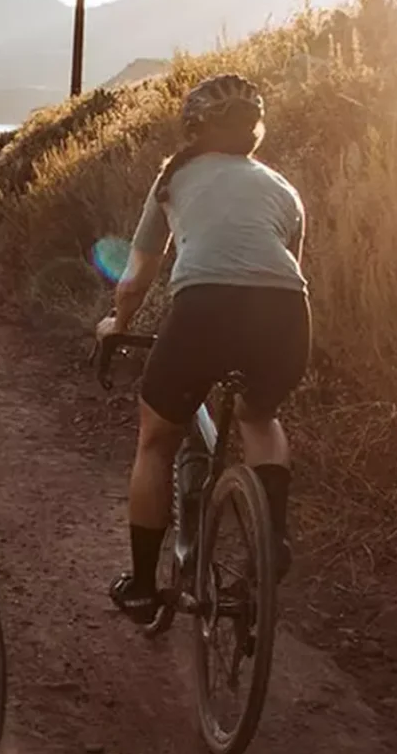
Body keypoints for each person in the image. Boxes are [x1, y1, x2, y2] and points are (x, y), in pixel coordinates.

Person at [94, 73, 308, 621]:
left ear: (192, 128)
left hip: (204, 311)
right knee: (261, 417)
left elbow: (138, 277)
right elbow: (284, 273)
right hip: (285, 315)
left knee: (156, 441)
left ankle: (142, 586)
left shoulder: (174, 180)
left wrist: (116, 325)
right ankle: (272, 539)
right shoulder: (283, 189)